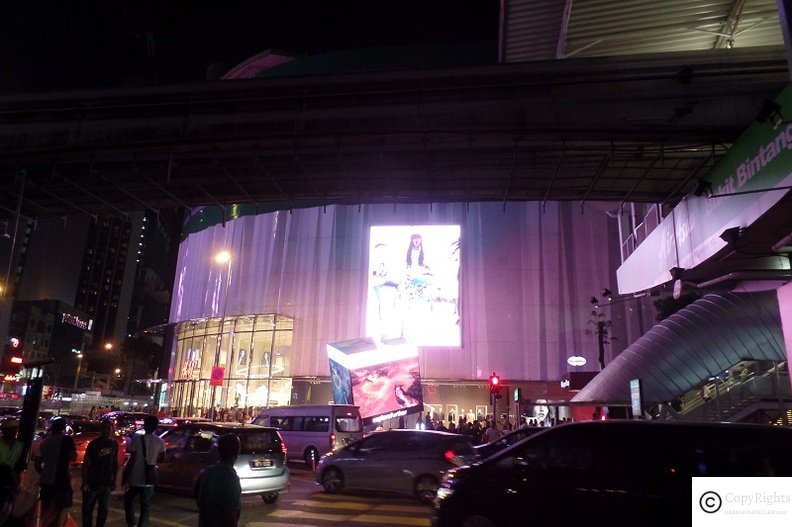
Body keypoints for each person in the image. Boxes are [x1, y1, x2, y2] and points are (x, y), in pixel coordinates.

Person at [123, 415, 165, 527]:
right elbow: (162, 458)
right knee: (145, 505)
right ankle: (143, 524)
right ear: (156, 427)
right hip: (149, 478)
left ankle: (131, 523)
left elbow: (131, 460)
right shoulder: (160, 441)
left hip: (135, 477)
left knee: (128, 500)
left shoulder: (137, 440)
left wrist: (126, 476)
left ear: (145, 426)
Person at [35, 416, 77, 527]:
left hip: (46, 479)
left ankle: (41, 525)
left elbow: (37, 464)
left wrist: (44, 473)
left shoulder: (44, 442)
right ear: (63, 427)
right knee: (65, 505)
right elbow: (73, 457)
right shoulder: (68, 440)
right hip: (62, 478)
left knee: (45, 508)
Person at [195, 434, 242, 527]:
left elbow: (199, 499)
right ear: (237, 452)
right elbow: (231, 516)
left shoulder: (207, 472)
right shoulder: (231, 478)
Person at [82, 419, 119, 527]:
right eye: (104, 428)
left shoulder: (114, 444)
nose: (106, 430)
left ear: (112, 429)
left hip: (106, 481)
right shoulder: (94, 444)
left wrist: (114, 480)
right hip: (93, 480)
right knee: (88, 510)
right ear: (100, 429)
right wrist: (85, 482)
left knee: (103, 510)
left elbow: (115, 463)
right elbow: (86, 463)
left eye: (108, 428)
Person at [0, 419, 23, 522]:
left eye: (14, 429)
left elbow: (20, 465)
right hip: (4, 476)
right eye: (10, 429)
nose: (13, 432)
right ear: (3, 431)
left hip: (11, 479)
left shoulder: (20, 445)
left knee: (7, 507)